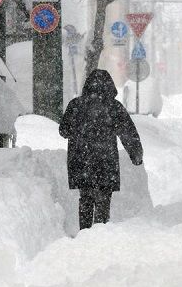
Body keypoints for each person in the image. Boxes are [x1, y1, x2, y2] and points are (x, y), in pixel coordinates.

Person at [59, 69, 143, 230]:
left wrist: (79, 131)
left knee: (85, 198)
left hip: (81, 160)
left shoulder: (76, 105)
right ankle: (100, 232)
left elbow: (64, 131)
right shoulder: (114, 107)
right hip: (105, 161)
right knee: (103, 199)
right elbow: (128, 132)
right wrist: (136, 154)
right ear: (109, 86)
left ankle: (84, 232)